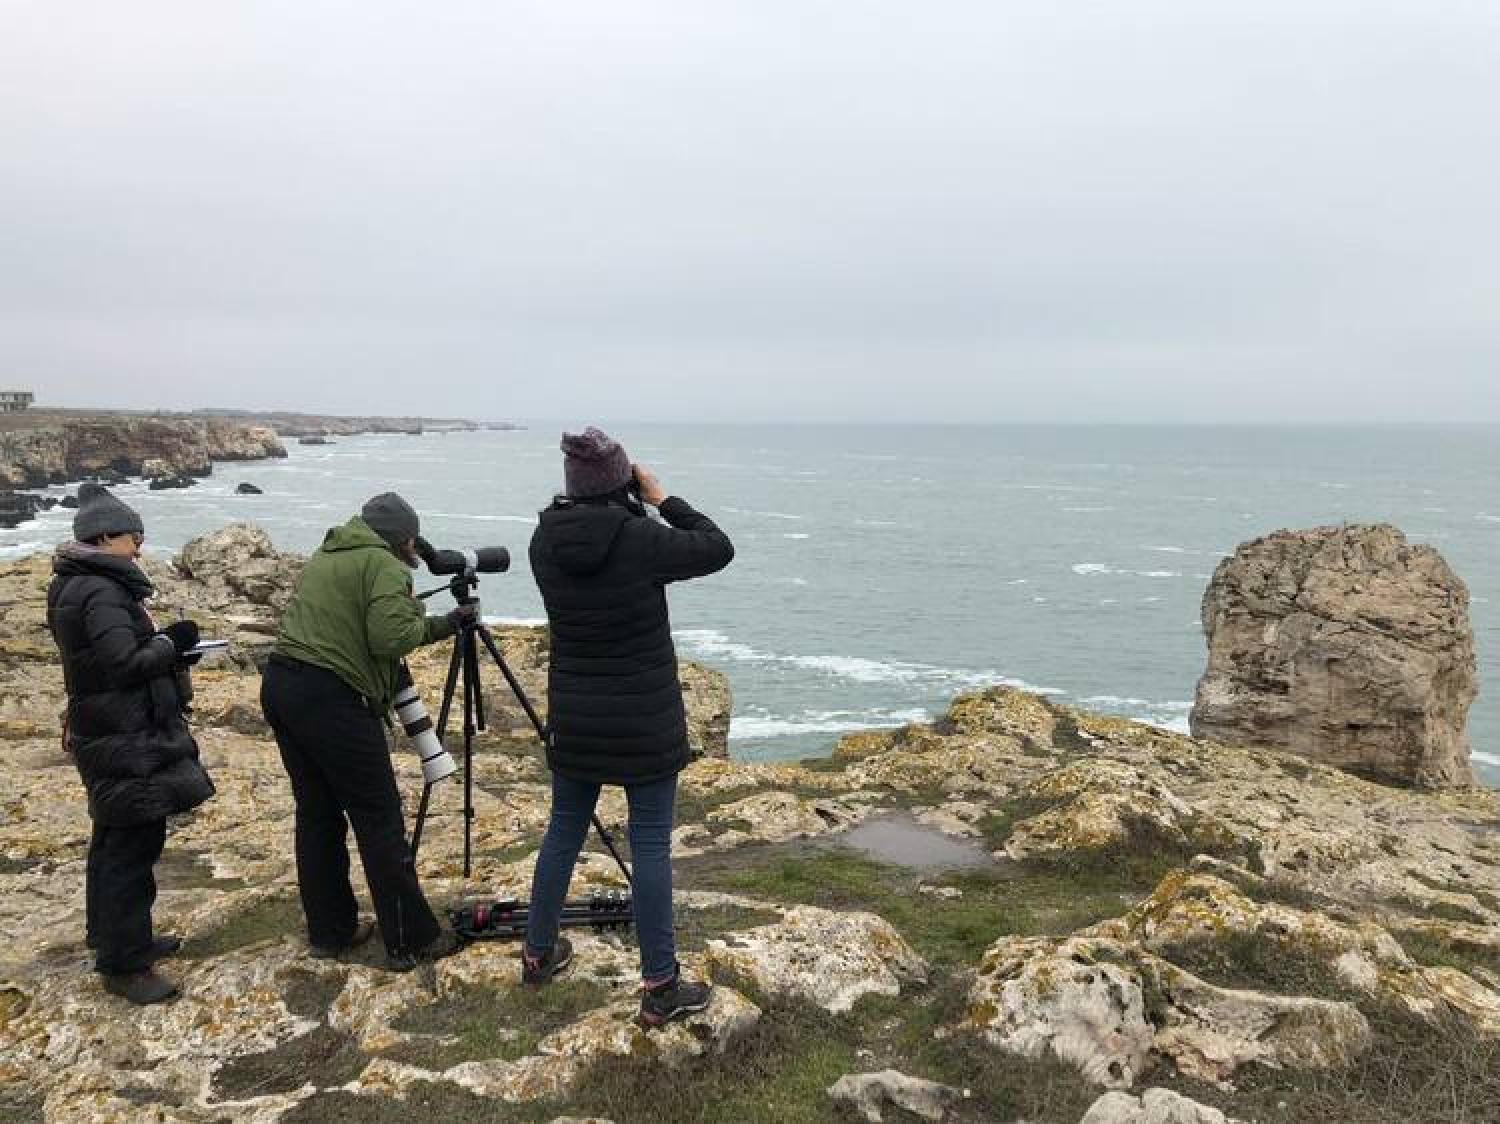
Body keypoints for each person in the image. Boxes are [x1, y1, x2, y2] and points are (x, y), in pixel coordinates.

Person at [523, 427, 734, 1026]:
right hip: (644, 720)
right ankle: (660, 984)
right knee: (649, 847)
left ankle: (537, 955)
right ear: (623, 484)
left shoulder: (544, 541)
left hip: (578, 718)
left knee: (562, 832)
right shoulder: (641, 538)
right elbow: (716, 546)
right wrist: (663, 499)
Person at [260, 493, 474, 969]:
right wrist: (444, 623)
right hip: (330, 697)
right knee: (377, 816)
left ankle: (330, 932)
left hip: (282, 684)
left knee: (317, 814)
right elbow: (390, 638)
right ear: (405, 539)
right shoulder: (385, 566)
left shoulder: (331, 552)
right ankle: (412, 939)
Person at [46, 483, 214, 1005]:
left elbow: (108, 659)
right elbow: (123, 663)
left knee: (112, 838)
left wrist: (167, 652)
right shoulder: (100, 590)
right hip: (123, 733)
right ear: (104, 537)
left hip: (108, 725)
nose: (139, 546)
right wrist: (171, 643)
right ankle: (125, 964)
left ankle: (116, 939)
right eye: (132, 536)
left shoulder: (75, 584)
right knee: (132, 846)